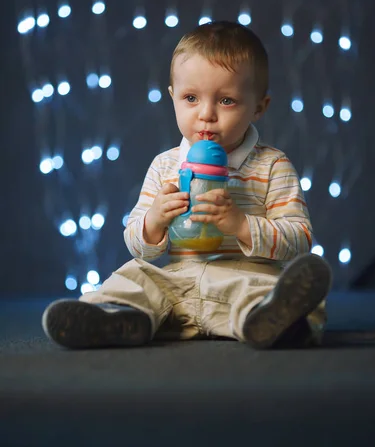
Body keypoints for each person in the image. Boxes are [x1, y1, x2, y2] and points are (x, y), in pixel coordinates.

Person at [42, 21, 332, 350]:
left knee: (266, 290)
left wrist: (241, 225)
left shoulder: (272, 166)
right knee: (135, 276)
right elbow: (138, 244)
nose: (206, 114)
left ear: (259, 107)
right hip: (178, 280)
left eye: (227, 101)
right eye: (191, 98)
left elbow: (299, 238)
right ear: (173, 98)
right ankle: (119, 317)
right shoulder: (165, 166)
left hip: (241, 278)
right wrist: (154, 221)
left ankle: (270, 321)